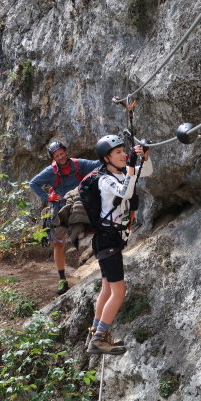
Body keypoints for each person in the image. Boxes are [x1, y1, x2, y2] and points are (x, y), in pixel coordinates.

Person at [86, 134, 152, 355]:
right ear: (106, 158)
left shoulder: (119, 173)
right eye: (118, 152)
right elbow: (127, 191)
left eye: (124, 150)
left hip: (108, 239)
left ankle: (95, 332)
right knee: (119, 291)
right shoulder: (105, 180)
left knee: (106, 288)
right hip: (108, 239)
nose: (123, 154)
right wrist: (132, 165)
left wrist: (143, 159)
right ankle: (98, 339)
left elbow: (147, 172)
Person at [29, 141, 101, 294]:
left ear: (66, 152)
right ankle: (62, 279)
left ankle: (101, 263)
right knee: (58, 243)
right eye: (57, 156)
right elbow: (33, 183)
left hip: (78, 205)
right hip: (59, 208)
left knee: (96, 229)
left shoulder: (78, 164)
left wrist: (111, 153)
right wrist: (48, 197)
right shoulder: (50, 171)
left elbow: (98, 164)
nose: (61, 157)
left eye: (62, 153)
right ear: (53, 158)